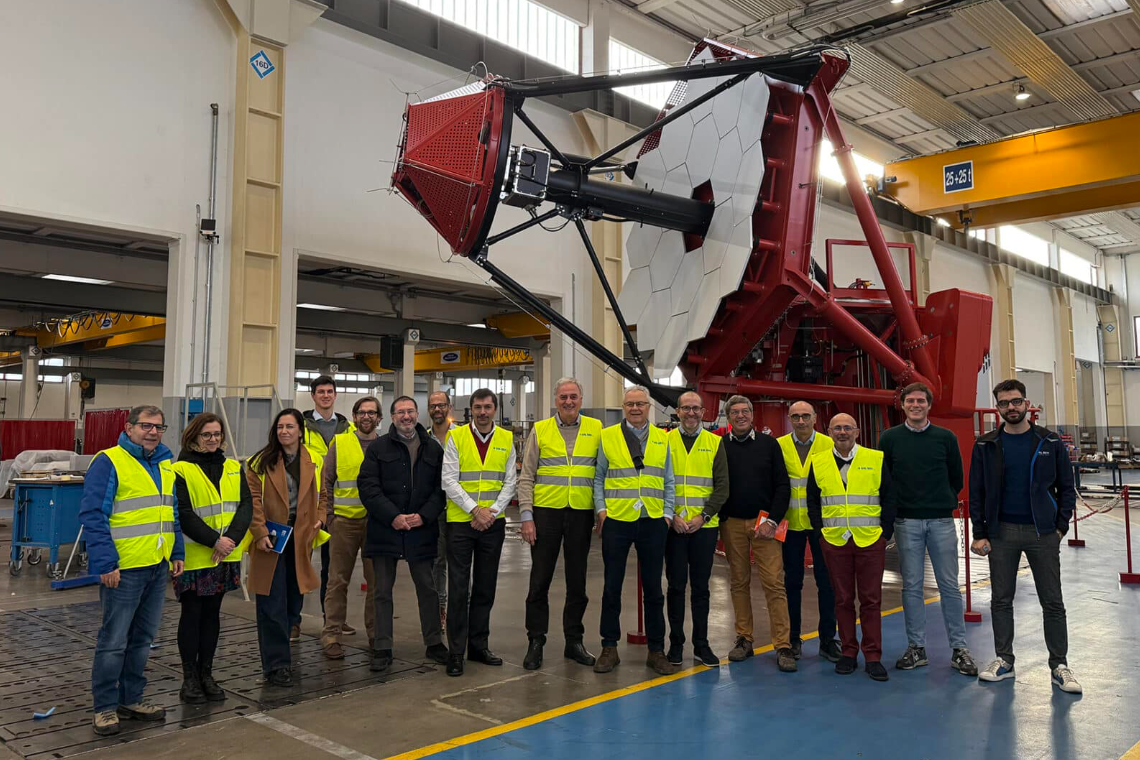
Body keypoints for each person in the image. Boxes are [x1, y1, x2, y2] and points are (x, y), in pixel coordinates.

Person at [970, 379, 1081, 693]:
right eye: (1004, 403)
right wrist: (980, 532)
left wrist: (1060, 527)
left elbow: (1066, 488)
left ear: (1026, 403)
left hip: (1042, 532)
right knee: (1001, 600)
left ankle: (1059, 665)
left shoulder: (1050, 442)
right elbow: (976, 491)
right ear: (998, 408)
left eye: (1016, 401)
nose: (1011, 408)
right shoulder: (986, 444)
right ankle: (1004, 660)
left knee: (1053, 601)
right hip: (1001, 533)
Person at [80, 405, 185, 736]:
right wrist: (105, 563)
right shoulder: (109, 461)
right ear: (128, 428)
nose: (153, 432)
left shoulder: (166, 463)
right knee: (114, 640)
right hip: (124, 569)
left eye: (158, 426)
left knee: (142, 640)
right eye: (146, 426)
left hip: (156, 565)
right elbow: (94, 514)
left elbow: (172, 511)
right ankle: (105, 707)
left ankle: (131, 698)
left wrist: (176, 551)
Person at [880, 382, 978, 676]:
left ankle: (959, 649)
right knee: (911, 586)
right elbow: (885, 480)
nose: (915, 405)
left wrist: (938, 500)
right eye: (910, 400)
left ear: (928, 405)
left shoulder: (945, 438)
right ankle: (916, 648)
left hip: (940, 521)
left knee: (949, 586)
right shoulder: (890, 438)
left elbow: (956, 478)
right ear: (903, 405)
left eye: (920, 400)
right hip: (906, 522)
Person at [359, 395, 449, 672]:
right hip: (385, 529)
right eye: (401, 412)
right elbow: (368, 487)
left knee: (428, 588)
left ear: (417, 414)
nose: (406, 416)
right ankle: (383, 647)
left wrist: (423, 516)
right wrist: (393, 516)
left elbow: (441, 490)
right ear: (392, 416)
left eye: (410, 411)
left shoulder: (433, 449)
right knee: (382, 591)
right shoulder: (378, 448)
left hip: (421, 529)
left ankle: (434, 643)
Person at [593, 385, 675, 676]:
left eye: (641, 403)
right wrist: (602, 511)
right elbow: (599, 477)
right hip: (617, 519)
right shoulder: (608, 436)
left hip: (652, 520)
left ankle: (656, 650)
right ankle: (609, 647)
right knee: (611, 586)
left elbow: (669, 480)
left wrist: (666, 514)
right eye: (630, 404)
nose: (636, 408)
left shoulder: (663, 439)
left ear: (649, 407)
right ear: (623, 406)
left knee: (654, 588)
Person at [519, 377, 600, 670]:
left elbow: (601, 475)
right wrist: (526, 516)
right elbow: (526, 475)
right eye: (563, 397)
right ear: (556, 400)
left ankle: (573, 641)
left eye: (573, 397)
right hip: (546, 513)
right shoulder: (540, 430)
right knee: (539, 581)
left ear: (581, 399)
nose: (568, 402)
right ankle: (536, 641)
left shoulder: (596, 430)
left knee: (577, 582)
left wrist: (600, 511)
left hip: (580, 513)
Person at [807, 414, 895, 682]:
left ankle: (873, 656)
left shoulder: (875, 458)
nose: (842, 432)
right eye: (837, 428)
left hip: (870, 540)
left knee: (871, 600)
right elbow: (813, 499)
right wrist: (821, 533)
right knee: (842, 600)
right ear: (829, 432)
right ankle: (848, 652)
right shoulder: (819, 461)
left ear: (856, 431)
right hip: (835, 541)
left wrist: (884, 534)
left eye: (847, 428)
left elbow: (890, 497)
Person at [172, 413, 252, 704]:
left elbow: (245, 504)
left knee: (212, 616)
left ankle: (207, 673)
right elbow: (182, 513)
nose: (213, 439)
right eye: (207, 434)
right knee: (192, 616)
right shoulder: (179, 469)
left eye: (217, 434)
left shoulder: (233, 467)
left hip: (222, 556)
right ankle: (189, 678)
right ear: (193, 437)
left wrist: (229, 540)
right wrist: (215, 540)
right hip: (194, 557)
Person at [441, 388, 517, 676]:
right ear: (470, 409)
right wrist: (476, 510)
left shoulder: (506, 439)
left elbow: (510, 481)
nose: (483, 412)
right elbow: (449, 480)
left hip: (492, 524)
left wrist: (492, 512)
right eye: (477, 407)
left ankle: (479, 646)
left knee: (486, 587)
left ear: (495, 409)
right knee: (459, 589)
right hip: (461, 522)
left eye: (487, 407)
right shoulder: (456, 437)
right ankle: (456, 652)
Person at [247, 408, 325, 687]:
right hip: (271, 538)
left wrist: (321, 518)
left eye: (290, 427)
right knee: (271, 604)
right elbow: (253, 500)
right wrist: (259, 531)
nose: (284, 432)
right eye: (280, 427)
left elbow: (324, 493)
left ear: (301, 431)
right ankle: (276, 665)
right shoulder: (260, 462)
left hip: (300, 538)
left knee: (294, 601)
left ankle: (283, 654)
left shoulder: (313, 459)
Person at [720, 395, 795, 672]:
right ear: (728, 417)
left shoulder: (768, 445)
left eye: (745, 411)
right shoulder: (721, 446)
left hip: (765, 526)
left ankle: (783, 645)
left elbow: (782, 486)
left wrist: (772, 521)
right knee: (738, 583)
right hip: (732, 525)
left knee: (774, 584)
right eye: (735, 412)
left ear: (752, 415)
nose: (740, 416)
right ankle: (744, 639)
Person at [665, 391, 728, 668]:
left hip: (704, 527)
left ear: (704, 412)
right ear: (677, 412)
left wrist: (703, 516)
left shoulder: (715, 443)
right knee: (676, 587)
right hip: (674, 526)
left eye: (696, 409)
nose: (691, 413)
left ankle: (701, 644)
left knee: (701, 588)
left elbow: (722, 486)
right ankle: (676, 644)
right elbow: (656, 482)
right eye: (686, 408)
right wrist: (675, 515)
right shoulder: (664, 442)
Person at [777, 401, 840, 662]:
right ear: (790, 418)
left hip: (821, 524)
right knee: (792, 583)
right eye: (795, 417)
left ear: (815, 418)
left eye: (805, 416)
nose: (800, 421)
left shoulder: (829, 444)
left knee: (827, 582)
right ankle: (792, 638)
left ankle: (828, 639)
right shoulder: (779, 446)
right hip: (790, 523)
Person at [320, 397, 382, 659]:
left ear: (379, 418)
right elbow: (326, 482)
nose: (366, 416)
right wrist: (330, 517)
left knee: (377, 583)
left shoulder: (387, 445)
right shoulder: (340, 442)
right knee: (337, 581)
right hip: (344, 524)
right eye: (361, 412)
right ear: (354, 416)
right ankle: (331, 634)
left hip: (377, 524)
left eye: (371, 412)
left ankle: (377, 636)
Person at [301, 375, 353, 632]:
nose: (325, 395)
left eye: (329, 391)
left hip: (336, 506)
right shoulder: (300, 426)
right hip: (307, 504)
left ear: (335, 395)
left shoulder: (349, 428)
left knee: (334, 569)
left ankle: (333, 620)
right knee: (301, 564)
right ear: (313, 396)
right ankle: (293, 621)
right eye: (320, 391)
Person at [427, 390, 456, 628]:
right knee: (437, 561)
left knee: (459, 560)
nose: (438, 410)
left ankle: (460, 609)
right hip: (434, 510)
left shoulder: (463, 435)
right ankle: (440, 611)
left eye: (442, 405)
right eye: (433, 406)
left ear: (449, 407)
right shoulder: (424, 439)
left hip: (460, 508)